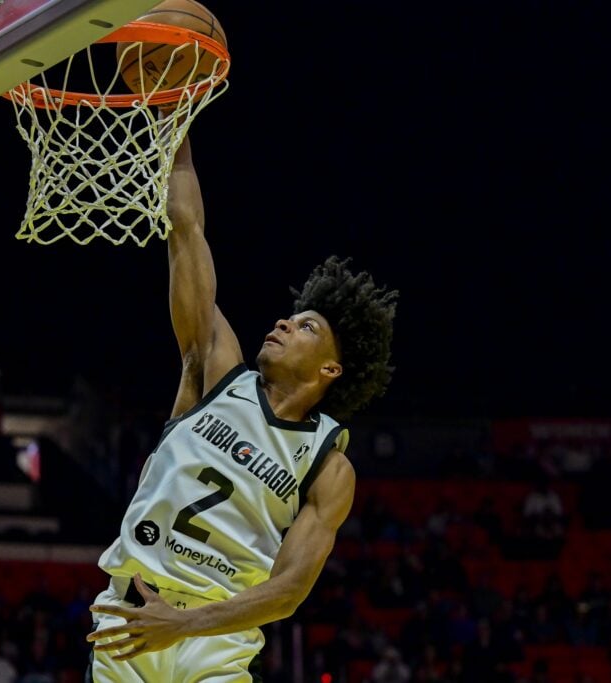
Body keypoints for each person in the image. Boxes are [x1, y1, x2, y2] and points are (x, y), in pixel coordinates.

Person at [85, 135, 399, 680]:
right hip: (130, 612)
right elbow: (188, 232)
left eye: (307, 327)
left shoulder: (328, 466)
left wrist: (185, 626)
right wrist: (174, 126)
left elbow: (288, 592)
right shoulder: (215, 369)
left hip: (214, 638)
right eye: (290, 316)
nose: (284, 322)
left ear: (330, 369)